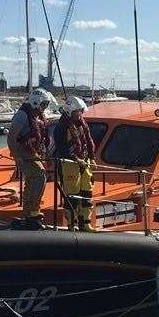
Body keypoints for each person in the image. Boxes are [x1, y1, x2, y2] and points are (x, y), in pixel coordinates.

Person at [6, 88, 53, 227]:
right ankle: (33, 210)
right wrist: (16, 157)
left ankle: (28, 213)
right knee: (40, 175)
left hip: (32, 152)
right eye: (43, 104)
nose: (44, 108)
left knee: (32, 180)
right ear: (36, 102)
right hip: (22, 153)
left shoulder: (36, 114)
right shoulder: (22, 115)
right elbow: (11, 137)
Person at [53, 96, 96, 231]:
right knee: (72, 195)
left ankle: (86, 223)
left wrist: (91, 157)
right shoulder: (61, 126)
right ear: (71, 111)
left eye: (81, 111)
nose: (81, 113)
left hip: (84, 162)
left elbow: (88, 140)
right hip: (69, 163)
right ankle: (73, 224)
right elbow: (61, 147)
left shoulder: (82, 123)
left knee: (86, 192)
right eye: (79, 111)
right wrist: (76, 159)